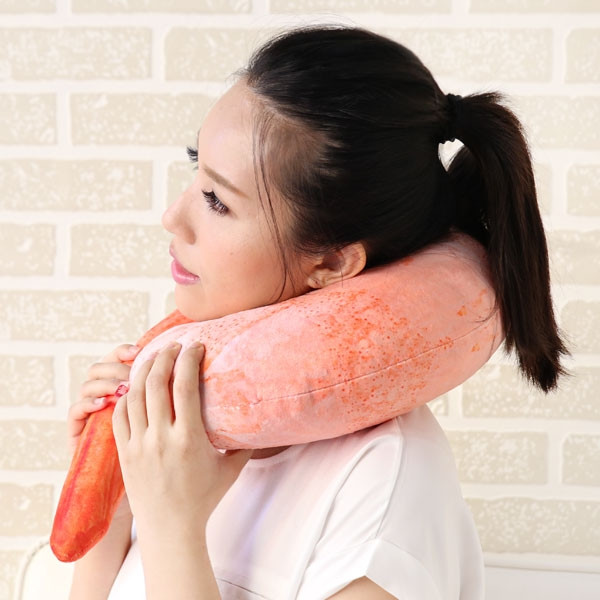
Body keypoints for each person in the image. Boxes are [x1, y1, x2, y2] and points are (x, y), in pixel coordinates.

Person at [66, 25, 567, 600]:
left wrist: (172, 528)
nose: (172, 217)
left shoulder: (387, 491)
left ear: (330, 261)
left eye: (216, 201)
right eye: (195, 168)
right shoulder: (179, 437)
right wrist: (116, 496)